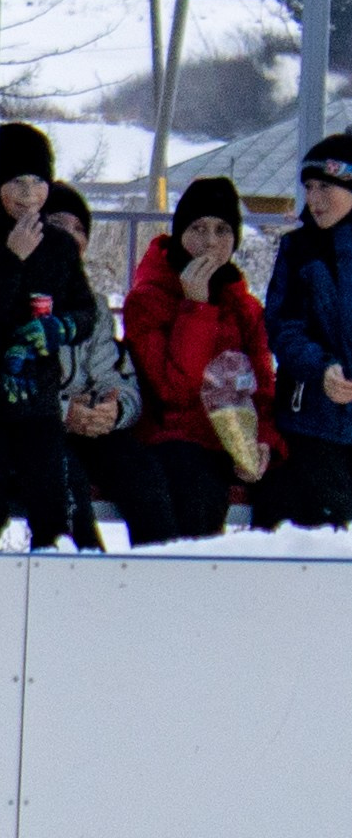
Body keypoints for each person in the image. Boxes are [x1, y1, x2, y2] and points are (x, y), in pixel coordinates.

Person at [0, 122, 99, 550]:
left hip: (38, 400)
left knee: (53, 512)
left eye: (38, 181)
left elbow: (85, 311)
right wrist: (12, 259)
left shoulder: (60, 246)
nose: (29, 193)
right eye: (16, 181)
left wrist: (60, 327)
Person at [120, 177, 280, 542]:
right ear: (179, 233)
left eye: (222, 229)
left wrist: (263, 441)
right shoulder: (148, 299)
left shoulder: (245, 305)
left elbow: (263, 387)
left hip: (233, 436)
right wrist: (196, 307)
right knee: (193, 489)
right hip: (173, 436)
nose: (210, 241)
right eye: (198, 228)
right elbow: (172, 389)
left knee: (291, 487)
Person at [39, 184, 152, 545]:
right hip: (33, 429)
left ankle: (161, 580)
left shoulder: (95, 307)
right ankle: (83, 578)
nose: (69, 238)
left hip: (85, 428)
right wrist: (61, 411)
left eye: (79, 229)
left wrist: (113, 410)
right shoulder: (10, 294)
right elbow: (2, 384)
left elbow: (115, 375)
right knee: (64, 483)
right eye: (58, 224)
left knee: (142, 474)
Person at [262, 139, 352, 529]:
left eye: (325, 187)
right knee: (321, 529)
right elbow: (283, 327)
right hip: (310, 419)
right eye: (309, 188)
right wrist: (323, 368)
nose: (314, 199)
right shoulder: (298, 249)